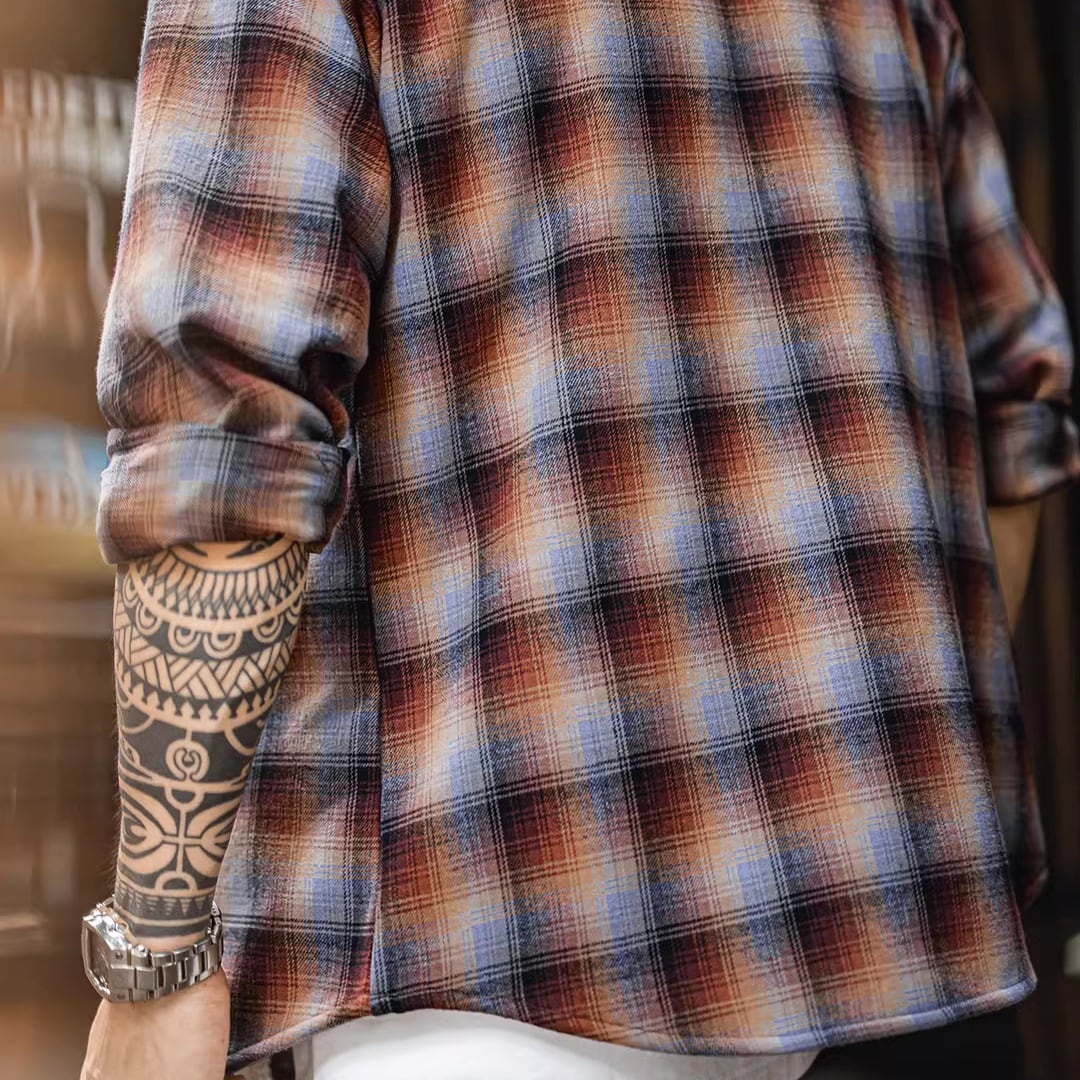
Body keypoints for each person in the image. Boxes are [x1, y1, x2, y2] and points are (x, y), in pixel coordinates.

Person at [79, 0, 1080, 1078]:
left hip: (481, 972)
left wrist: (156, 955)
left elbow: (222, 446)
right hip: (871, 950)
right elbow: (1014, 409)